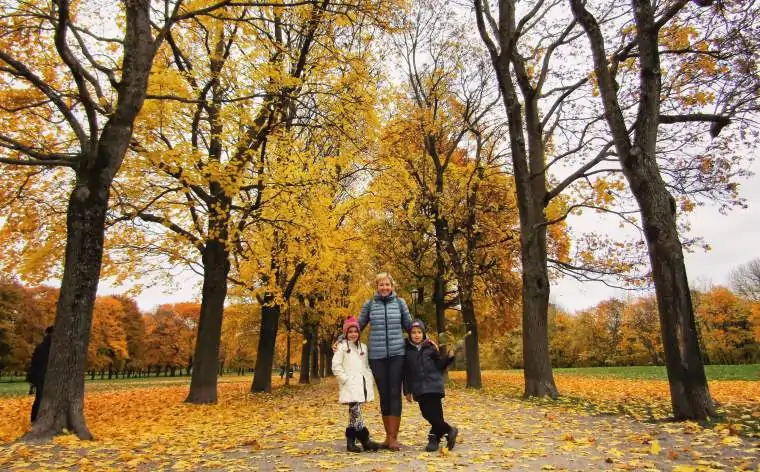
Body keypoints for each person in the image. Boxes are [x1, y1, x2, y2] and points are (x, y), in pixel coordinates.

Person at [357, 272, 412, 451]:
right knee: (384, 394)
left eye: (387, 284)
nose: (384, 288)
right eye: (381, 285)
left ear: (392, 286)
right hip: (377, 356)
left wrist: (425, 339)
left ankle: (393, 438)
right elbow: (358, 325)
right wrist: (343, 338)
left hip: (397, 354)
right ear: (377, 286)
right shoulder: (370, 304)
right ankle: (387, 437)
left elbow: (410, 326)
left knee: (395, 393)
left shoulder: (400, 303)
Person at [403, 319, 459, 452]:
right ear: (409, 334)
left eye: (419, 332)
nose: (416, 335)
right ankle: (449, 430)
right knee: (427, 414)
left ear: (423, 333)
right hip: (419, 388)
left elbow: (440, 364)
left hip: (433, 385)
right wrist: (407, 390)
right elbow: (407, 372)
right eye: (413, 332)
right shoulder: (407, 351)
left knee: (435, 415)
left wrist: (449, 357)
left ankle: (433, 439)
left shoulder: (430, 347)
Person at [331, 316, 380, 453]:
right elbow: (336, 366)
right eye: (350, 331)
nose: (353, 334)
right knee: (355, 411)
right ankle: (365, 439)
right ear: (345, 334)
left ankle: (350, 442)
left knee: (353, 414)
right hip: (349, 385)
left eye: (355, 331)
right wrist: (345, 379)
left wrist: (368, 379)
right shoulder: (341, 347)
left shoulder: (363, 347)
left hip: (361, 384)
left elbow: (366, 366)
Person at [28, 326, 53, 423]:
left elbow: (34, 364)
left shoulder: (40, 347)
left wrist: (31, 379)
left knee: (39, 398)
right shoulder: (57, 347)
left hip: (41, 376)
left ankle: (34, 419)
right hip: (50, 376)